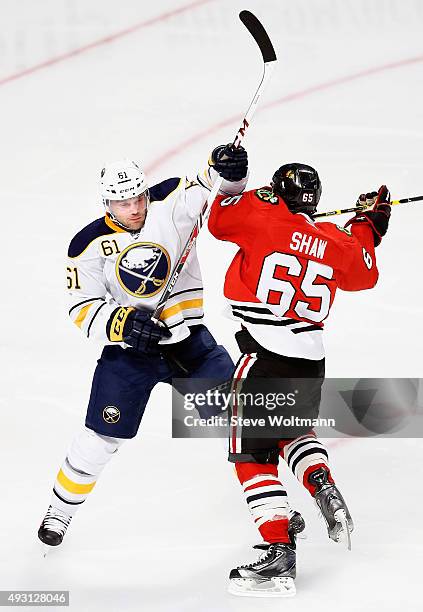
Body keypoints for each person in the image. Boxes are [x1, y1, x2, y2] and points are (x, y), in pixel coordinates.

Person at [38, 145, 249, 548]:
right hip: (130, 354)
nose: (134, 208)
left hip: (190, 344)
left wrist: (232, 171)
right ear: (107, 202)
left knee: (245, 416)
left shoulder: (170, 201)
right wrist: (122, 323)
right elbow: (81, 307)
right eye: (123, 202)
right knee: (99, 437)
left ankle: (273, 508)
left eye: (138, 197)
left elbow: (217, 187)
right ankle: (59, 512)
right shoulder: (86, 244)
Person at [208, 162, 391, 597]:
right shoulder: (336, 242)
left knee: (251, 453)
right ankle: (322, 485)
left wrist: (248, 188)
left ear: (277, 193)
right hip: (310, 363)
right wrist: (369, 223)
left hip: (265, 360)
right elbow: (365, 271)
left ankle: (277, 555)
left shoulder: (263, 217)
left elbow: (218, 219)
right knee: (291, 431)